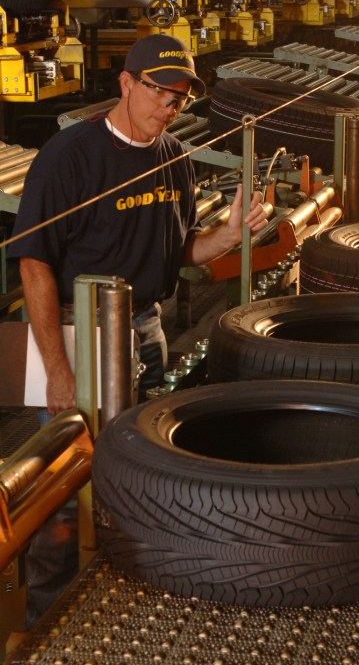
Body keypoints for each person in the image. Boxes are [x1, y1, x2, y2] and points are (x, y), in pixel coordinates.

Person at [8, 33, 269, 622]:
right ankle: (49, 617)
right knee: (63, 484)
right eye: (159, 92)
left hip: (143, 330)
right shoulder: (69, 156)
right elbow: (34, 265)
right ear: (126, 84)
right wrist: (55, 371)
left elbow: (181, 251)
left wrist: (228, 236)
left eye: (179, 98)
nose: (168, 107)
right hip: (77, 334)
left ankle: (119, 597)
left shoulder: (173, 156)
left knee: (134, 469)